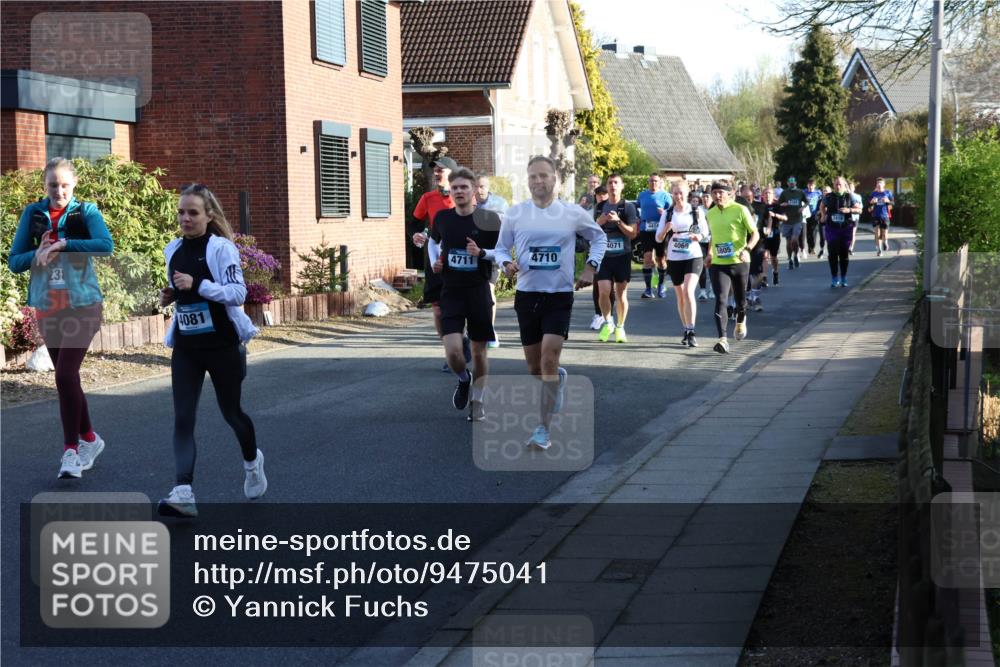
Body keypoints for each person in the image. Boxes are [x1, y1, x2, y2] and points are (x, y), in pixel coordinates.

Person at [157, 184, 263, 518]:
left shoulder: (221, 249)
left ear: (208, 215)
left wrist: (197, 285)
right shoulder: (172, 249)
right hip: (188, 347)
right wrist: (173, 294)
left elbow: (237, 293)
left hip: (222, 346)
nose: (185, 218)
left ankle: (252, 461)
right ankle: (183, 490)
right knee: (183, 418)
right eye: (181, 212)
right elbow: (183, 288)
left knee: (231, 413)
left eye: (193, 212)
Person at [8, 157, 114, 479]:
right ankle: (91, 440)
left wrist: (65, 244)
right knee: (67, 379)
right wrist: (36, 256)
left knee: (66, 375)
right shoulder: (33, 214)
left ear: (74, 184)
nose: (59, 191)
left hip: (83, 304)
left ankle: (70, 452)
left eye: (65, 184)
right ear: (45, 186)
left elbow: (105, 245)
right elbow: (14, 261)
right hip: (48, 307)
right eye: (53, 185)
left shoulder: (87, 212)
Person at [493, 156, 606, 450]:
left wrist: (590, 267)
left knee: (548, 359)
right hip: (527, 296)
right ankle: (558, 377)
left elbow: (599, 238)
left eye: (543, 176)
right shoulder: (516, 214)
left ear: (555, 179)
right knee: (535, 368)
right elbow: (501, 248)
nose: (538, 181)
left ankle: (543, 430)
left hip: (558, 296)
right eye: (532, 176)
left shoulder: (571, 213)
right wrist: (506, 263)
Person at [429, 168, 502, 421]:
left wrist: (482, 253)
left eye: (464, 187)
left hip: (478, 291)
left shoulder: (489, 220)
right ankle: (463, 378)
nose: (459, 191)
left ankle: (478, 401)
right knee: (453, 352)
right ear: (451, 191)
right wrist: (434, 262)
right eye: (455, 188)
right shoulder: (442, 218)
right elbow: (432, 241)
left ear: (474, 192)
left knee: (480, 351)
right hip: (451, 290)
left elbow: (502, 253)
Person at [412, 157, 470, 371]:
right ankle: (452, 351)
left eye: (441, 170)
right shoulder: (427, 198)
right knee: (438, 311)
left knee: (459, 306)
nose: (436, 173)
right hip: (434, 258)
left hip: (459, 258)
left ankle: (463, 339)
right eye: (434, 170)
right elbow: (415, 225)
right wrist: (416, 235)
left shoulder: (463, 197)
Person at [705, 181, 759, 354]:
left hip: (739, 261)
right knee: (720, 299)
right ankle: (722, 339)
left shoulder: (740, 209)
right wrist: (710, 253)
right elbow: (714, 236)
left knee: (740, 300)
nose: (717, 196)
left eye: (721, 192)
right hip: (719, 263)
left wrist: (747, 249)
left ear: (730, 194)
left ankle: (741, 321)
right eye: (714, 193)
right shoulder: (710, 213)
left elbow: (755, 233)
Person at [656, 180, 705, 347]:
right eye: (675, 193)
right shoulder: (668, 214)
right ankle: (685, 328)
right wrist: (666, 229)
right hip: (674, 255)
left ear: (687, 193)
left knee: (689, 291)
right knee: (680, 294)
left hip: (693, 254)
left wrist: (697, 237)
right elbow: (658, 238)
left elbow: (705, 233)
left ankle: (691, 330)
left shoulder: (696, 211)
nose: (678, 196)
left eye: (681, 193)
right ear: (672, 194)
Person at [595, 174, 638, 343]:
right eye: (610, 183)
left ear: (621, 186)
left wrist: (618, 221)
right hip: (604, 256)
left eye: (616, 183)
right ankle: (608, 322)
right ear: (606, 186)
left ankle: (620, 326)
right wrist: (599, 223)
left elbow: (633, 233)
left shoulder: (628, 207)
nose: (613, 185)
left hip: (622, 255)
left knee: (620, 294)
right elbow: (590, 231)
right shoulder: (599, 207)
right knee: (603, 291)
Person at [474, 173, 508, 348]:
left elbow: (508, 229)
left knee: (488, 291)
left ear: (488, 188)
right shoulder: (468, 205)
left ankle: (490, 330)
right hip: (472, 254)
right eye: (476, 186)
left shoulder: (500, 204)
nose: (479, 190)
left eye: (482, 186)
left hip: (493, 254)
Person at [820, 176, 862, 288]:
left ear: (844, 186)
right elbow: (822, 206)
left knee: (844, 255)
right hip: (832, 229)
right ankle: (834, 277)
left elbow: (859, 210)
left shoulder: (850, 197)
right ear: (834, 185)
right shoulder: (828, 197)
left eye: (840, 184)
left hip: (845, 229)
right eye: (836, 184)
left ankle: (843, 277)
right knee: (832, 253)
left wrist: (849, 210)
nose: (838, 186)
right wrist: (823, 215)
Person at [635, 173, 670, 298]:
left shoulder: (665, 196)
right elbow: (636, 207)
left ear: (660, 182)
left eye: (656, 181)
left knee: (661, 259)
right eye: (651, 181)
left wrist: (665, 213)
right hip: (646, 230)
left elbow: (672, 212)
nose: (653, 183)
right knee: (647, 258)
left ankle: (661, 285)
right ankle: (648, 289)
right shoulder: (642, 195)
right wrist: (637, 218)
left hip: (660, 231)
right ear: (648, 182)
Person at [750, 187, 783, 310]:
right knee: (764, 256)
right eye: (765, 193)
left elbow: (785, 218)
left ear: (773, 195)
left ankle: (775, 272)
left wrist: (775, 216)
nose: (767, 195)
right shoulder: (760, 206)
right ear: (762, 195)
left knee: (773, 257)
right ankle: (763, 277)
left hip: (774, 233)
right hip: (762, 236)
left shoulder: (777, 205)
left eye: (770, 193)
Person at [586, 185, 612, 330]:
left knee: (610, 288)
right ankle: (598, 315)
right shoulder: (593, 211)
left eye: (604, 194)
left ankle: (609, 317)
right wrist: (598, 223)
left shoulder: (615, 208)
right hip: (596, 252)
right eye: (598, 195)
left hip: (613, 252)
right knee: (598, 286)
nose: (601, 197)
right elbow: (587, 232)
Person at [777, 176, 806, 270]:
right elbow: (778, 204)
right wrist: (782, 204)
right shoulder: (784, 193)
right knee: (789, 242)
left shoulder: (800, 192)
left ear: (796, 183)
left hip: (797, 220)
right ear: (788, 183)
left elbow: (807, 201)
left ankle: (796, 255)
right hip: (786, 220)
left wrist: (802, 207)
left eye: (793, 182)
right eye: (790, 182)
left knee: (794, 240)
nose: (792, 183)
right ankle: (790, 259)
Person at [691, 192, 714, 302]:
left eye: (707, 197)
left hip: (713, 240)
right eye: (703, 197)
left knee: (713, 265)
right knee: (703, 265)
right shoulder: (698, 209)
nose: (705, 199)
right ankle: (703, 291)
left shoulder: (715, 208)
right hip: (701, 241)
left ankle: (713, 289)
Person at [868, 177, 894, 257]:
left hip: (885, 215)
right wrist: (872, 202)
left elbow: (893, 204)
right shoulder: (873, 194)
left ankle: (885, 242)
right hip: (876, 215)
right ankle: (879, 250)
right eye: (878, 183)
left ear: (884, 184)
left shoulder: (888, 193)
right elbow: (869, 206)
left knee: (884, 234)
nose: (879, 185)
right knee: (877, 233)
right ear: (876, 184)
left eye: (881, 183)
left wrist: (888, 201)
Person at [804, 178, 824, 257]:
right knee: (808, 232)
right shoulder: (804, 192)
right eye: (809, 185)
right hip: (806, 215)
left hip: (815, 214)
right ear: (807, 185)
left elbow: (822, 201)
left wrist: (820, 211)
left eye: (812, 185)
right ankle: (810, 246)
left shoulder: (818, 193)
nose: (810, 187)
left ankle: (812, 247)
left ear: (814, 186)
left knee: (814, 231)